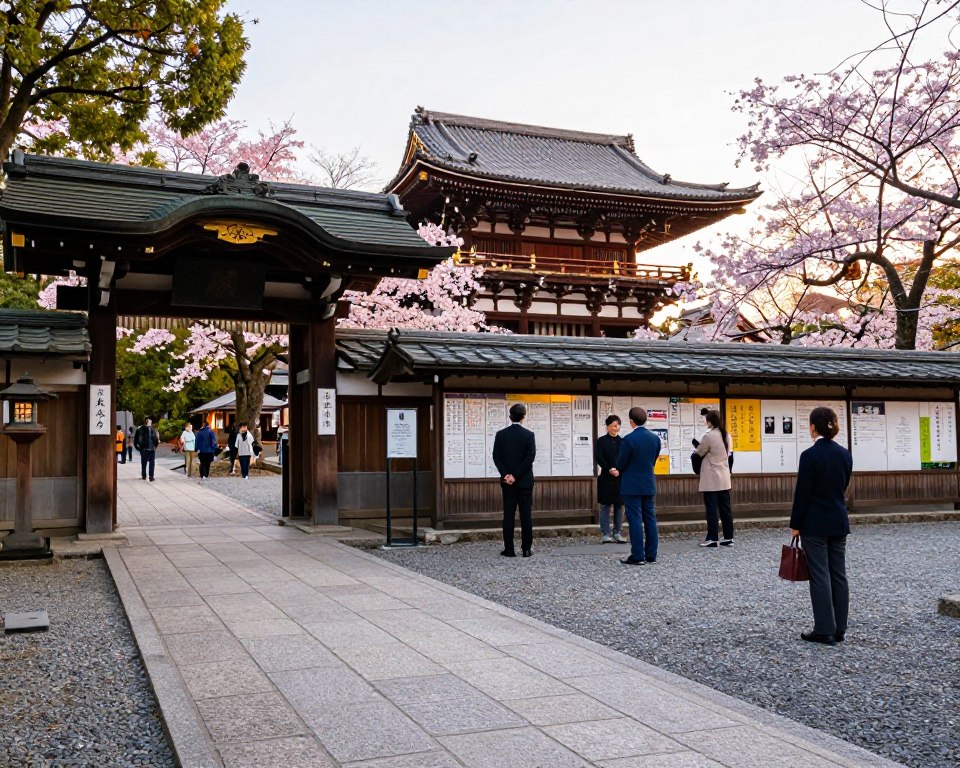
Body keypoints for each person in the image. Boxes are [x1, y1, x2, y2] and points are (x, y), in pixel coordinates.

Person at [790, 406, 853, 646]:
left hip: (814, 522)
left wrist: (795, 524)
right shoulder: (844, 454)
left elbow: (803, 493)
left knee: (819, 574)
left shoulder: (810, 456)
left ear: (813, 427)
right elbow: (843, 485)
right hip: (838, 519)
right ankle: (840, 627)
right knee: (838, 573)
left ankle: (824, 628)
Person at [617, 407, 662, 565]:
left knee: (635, 518)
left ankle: (638, 555)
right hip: (648, 482)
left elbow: (621, 462)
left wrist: (618, 468)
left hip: (631, 483)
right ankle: (651, 554)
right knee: (650, 518)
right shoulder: (655, 439)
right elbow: (654, 459)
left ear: (631, 421)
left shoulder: (629, 439)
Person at [492, 403, 537, 558]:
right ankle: (526, 549)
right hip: (524, 481)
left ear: (510, 416)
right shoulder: (529, 435)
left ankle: (509, 549)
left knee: (509, 515)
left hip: (507, 482)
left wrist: (507, 475)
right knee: (526, 515)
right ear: (523, 417)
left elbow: (496, 456)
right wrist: (516, 475)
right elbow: (529, 458)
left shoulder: (501, 435)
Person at [693, 410, 734, 547]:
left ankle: (712, 537)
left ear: (710, 421)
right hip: (724, 475)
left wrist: (696, 446)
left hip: (711, 477)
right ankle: (728, 536)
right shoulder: (727, 435)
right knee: (725, 508)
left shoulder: (709, 436)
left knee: (711, 508)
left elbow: (699, 452)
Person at [594, 414, 625, 543]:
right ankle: (605, 533)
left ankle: (617, 532)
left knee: (619, 506)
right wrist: (609, 468)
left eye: (617, 425)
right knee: (605, 506)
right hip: (606, 477)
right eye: (613, 425)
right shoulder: (601, 441)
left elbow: (625, 458)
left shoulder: (623, 441)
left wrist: (619, 469)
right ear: (607, 427)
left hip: (620, 477)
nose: (615, 428)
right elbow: (599, 457)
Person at [133, 417, 159, 481]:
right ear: (145, 421)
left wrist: (155, 446)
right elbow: (136, 440)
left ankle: (151, 476)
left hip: (152, 449)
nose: (150, 422)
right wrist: (139, 448)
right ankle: (144, 475)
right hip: (144, 449)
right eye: (149, 421)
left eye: (151, 421)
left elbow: (156, 439)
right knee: (144, 463)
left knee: (152, 463)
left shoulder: (153, 430)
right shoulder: (140, 429)